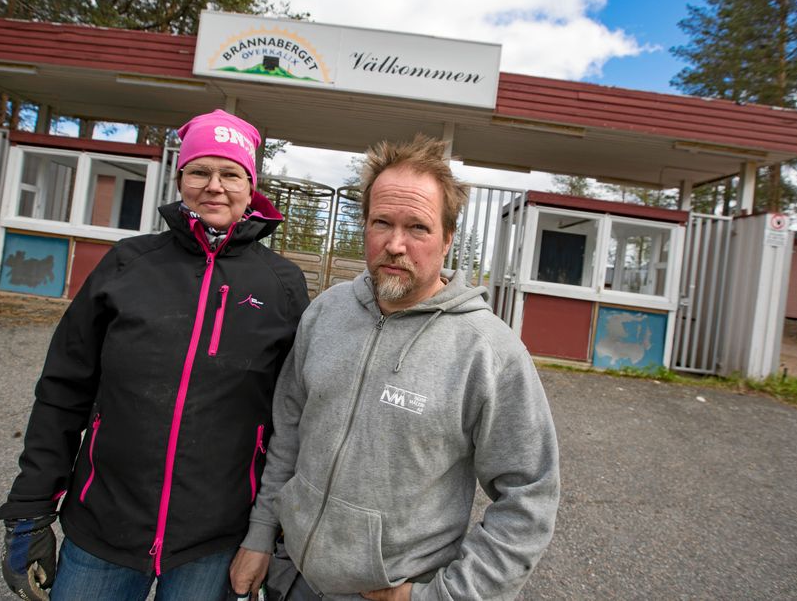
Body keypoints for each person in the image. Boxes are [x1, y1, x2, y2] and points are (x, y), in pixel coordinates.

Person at [0, 109, 309, 600]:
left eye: (230, 173)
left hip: (214, 542)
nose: (215, 186)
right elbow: (62, 391)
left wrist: (271, 534)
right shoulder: (127, 264)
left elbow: (290, 419)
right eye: (200, 171)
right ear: (180, 179)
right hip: (103, 527)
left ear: (252, 187)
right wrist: (30, 509)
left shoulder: (283, 285)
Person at [230, 135, 559, 600]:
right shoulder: (326, 313)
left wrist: (440, 597)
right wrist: (261, 533)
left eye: (418, 228)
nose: (396, 244)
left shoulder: (489, 353)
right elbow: (288, 434)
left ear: (447, 239)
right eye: (381, 222)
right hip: (292, 579)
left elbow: (529, 496)